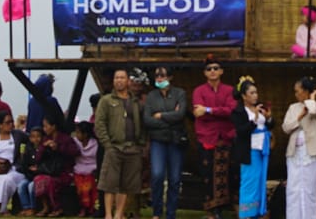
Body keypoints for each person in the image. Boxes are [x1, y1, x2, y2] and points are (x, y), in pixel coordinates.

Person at [95, 68, 146, 219]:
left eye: (122, 78)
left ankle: (119, 214)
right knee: (109, 184)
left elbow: (143, 124)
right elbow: (99, 124)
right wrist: (108, 145)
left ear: (128, 81)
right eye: (116, 78)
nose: (119, 80)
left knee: (126, 184)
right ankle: (108, 214)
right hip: (114, 147)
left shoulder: (135, 102)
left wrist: (140, 143)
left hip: (132, 147)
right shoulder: (106, 100)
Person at [192, 57, 237, 219]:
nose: (213, 71)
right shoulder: (199, 91)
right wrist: (218, 112)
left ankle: (227, 209)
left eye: (216, 68)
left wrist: (209, 110)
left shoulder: (230, 90)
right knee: (208, 175)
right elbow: (199, 114)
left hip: (226, 138)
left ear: (221, 71)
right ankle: (212, 211)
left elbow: (231, 111)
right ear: (204, 73)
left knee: (228, 174)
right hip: (207, 138)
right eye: (209, 68)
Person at [142, 66, 186, 219]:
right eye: (157, 76)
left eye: (162, 75)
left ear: (170, 77)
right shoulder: (151, 96)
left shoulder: (179, 93)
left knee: (174, 179)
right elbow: (147, 119)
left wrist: (160, 115)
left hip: (175, 141)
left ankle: (171, 213)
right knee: (157, 175)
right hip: (158, 141)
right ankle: (157, 212)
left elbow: (180, 115)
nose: (159, 78)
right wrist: (169, 118)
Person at [281, 76, 316, 219]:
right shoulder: (292, 108)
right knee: (293, 189)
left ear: (306, 91)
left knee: (309, 189)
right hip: (295, 152)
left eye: (298, 91)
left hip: (311, 153)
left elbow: (313, 111)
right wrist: (299, 117)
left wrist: (312, 97)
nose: (296, 94)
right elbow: (286, 128)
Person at [231, 77, 272, 219]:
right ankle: (246, 214)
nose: (255, 95)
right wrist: (254, 119)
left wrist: (268, 118)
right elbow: (241, 131)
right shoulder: (239, 112)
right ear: (243, 95)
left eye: (256, 92)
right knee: (249, 182)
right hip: (249, 151)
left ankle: (257, 213)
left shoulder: (259, 108)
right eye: (252, 93)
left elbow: (268, 125)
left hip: (262, 149)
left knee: (260, 180)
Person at [0, 110, 29, 215]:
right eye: (7, 122)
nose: (11, 125)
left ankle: (2, 208)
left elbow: (31, 138)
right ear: (0, 125)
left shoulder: (17, 135)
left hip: (13, 168)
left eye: (12, 122)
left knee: (7, 180)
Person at [33, 118, 81, 216]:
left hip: (64, 171)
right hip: (50, 171)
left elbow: (75, 152)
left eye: (46, 126)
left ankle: (57, 208)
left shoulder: (65, 139)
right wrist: (44, 147)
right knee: (39, 179)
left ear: (54, 126)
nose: (44, 128)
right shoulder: (46, 139)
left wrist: (58, 147)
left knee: (51, 182)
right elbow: (38, 158)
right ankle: (46, 206)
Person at [71, 122, 99, 218]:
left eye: (78, 133)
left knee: (88, 186)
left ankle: (90, 208)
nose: (77, 135)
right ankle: (83, 208)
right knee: (80, 187)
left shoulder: (95, 144)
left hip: (92, 169)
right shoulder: (74, 143)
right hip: (78, 169)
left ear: (85, 134)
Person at [15, 126, 44, 215]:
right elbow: (23, 164)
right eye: (33, 136)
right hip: (30, 175)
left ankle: (33, 207)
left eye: (38, 136)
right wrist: (28, 168)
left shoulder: (45, 149)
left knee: (31, 186)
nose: (36, 139)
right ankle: (26, 207)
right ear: (30, 138)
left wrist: (38, 168)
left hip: (40, 175)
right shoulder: (28, 148)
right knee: (21, 185)